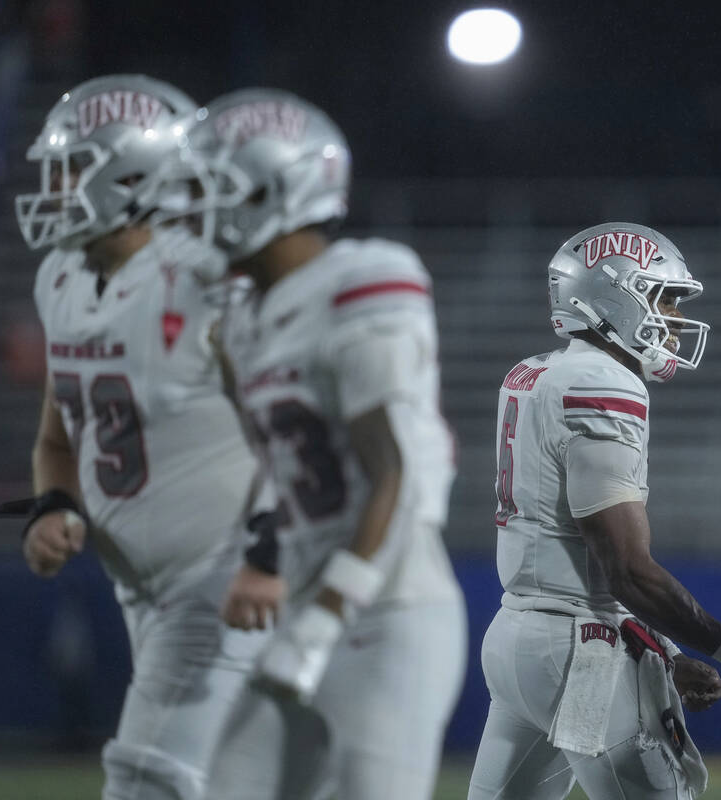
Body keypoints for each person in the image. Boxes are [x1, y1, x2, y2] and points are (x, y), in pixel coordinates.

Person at [468, 222, 721, 800]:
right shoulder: (602, 383)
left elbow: (586, 567)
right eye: (664, 298)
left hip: (516, 640)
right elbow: (626, 570)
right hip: (578, 655)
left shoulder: (534, 373)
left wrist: (665, 651)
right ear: (612, 296)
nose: (676, 320)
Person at [181, 88, 467, 800]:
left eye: (211, 188)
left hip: (389, 612)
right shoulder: (244, 317)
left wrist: (328, 618)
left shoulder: (360, 281)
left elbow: (394, 472)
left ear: (273, 188)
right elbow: (277, 468)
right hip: (308, 597)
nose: (194, 211)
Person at [1, 74, 269, 799]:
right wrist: (54, 504)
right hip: (141, 589)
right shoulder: (61, 274)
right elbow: (58, 436)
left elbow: (294, 429)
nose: (51, 190)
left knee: (147, 778)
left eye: (67, 171)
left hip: (225, 575)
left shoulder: (207, 275)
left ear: (131, 174)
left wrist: (269, 551)